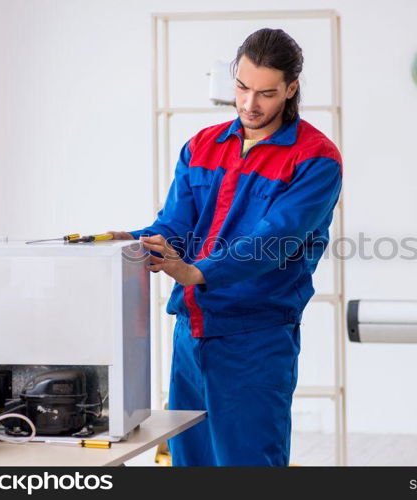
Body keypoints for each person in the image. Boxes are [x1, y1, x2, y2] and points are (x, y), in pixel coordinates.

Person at [109, 28, 342, 466]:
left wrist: (199, 272)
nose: (250, 105)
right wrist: (133, 241)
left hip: (254, 339)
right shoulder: (201, 146)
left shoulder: (314, 159)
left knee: (247, 463)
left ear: (291, 89)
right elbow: (175, 226)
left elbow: (274, 239)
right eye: (242, 87)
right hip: (190, 335)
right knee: (188, 462)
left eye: (267, 93)